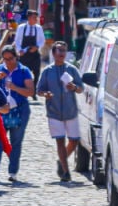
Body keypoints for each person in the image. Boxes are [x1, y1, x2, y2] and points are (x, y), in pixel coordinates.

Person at [36, 41, 85, 182]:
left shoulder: (72, 69)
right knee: (60, 141)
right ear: (53, 53)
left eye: (64, 50)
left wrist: (74, 87)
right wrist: (46, 94)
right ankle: (65, 171)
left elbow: (81, 88)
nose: (62, 53)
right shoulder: (47, 71)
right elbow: (39, 90)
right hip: (54, 111)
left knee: (74, 140)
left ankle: (61, 160)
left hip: (71, 111)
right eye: (59, 50)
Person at [0, 47, 35, 183]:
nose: (8, 62)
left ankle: (13, 171)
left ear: (16, 57)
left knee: (16, 141)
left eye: (10, 59)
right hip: (2, 110)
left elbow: (30, 91)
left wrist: (15, 87)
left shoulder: (24, 71)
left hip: (20, 109)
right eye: (5, 59)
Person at [12, 8, 45, 81]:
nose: (36, 19)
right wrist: (19, 50)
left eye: (36, 17)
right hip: (24, 55)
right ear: (29, 18)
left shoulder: (38, 28)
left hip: (35, 55)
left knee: (36, 73)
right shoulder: (21, 27)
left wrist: (37, 47)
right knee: (23, 74)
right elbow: (17, 41)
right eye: (34, 17)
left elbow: (42, 40)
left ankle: (34, 87)